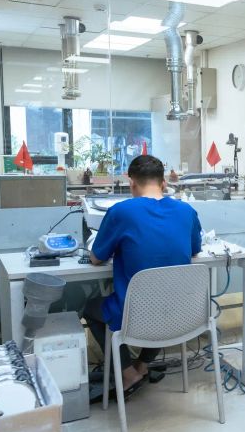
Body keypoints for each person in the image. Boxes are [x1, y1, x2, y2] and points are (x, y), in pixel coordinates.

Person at [82, 155, 203, 397]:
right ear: (163, 182)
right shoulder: (186, 211)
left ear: (131, 183)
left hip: (136, 314)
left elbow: (96, 258)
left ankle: (128, 373)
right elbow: (194, 250)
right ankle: (142, 365)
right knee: (161, 308)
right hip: (182, 313)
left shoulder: (121, 212)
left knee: (90, 309)